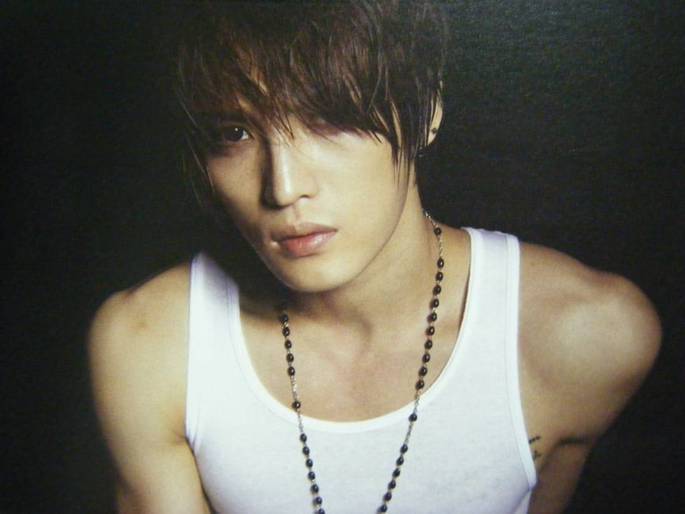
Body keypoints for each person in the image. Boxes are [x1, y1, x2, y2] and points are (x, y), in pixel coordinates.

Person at [88, 2, 661, 513]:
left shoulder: (586, 334)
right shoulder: (151, 346)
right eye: (235, 132)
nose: (284, 188)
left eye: (329, 118)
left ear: (428, 109)